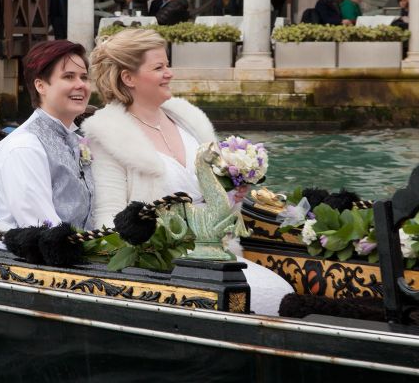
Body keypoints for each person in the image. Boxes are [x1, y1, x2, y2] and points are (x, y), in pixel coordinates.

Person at [83, 29, 294, 316]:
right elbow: (109, 221)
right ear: (128, 78)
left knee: (280, 293)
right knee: (271, 296)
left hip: (219, 253)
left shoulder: (188, 121)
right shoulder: (107, 136)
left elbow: (214, 204)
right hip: (164, 269)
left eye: (167, 65)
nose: (169, 73)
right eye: (159, 67)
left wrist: (232, 195)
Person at [0, 40, 94, 234]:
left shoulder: (80, 139)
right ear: (40, 85)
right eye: (69, 77)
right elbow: (43, 227)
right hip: (40, 249)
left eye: (84, 77)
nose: (81, 85)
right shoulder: (24, 147)